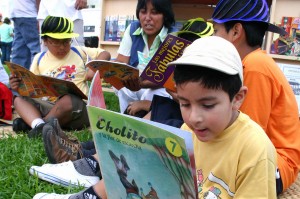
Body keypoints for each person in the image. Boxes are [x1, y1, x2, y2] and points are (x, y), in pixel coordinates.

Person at [32, 36, 277, 199]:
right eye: (184, 103)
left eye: (208, 105)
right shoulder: (188, 130)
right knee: (132, 170)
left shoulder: (255, 150)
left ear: (237, 98)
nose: (194, 117)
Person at [211, 0, 300, 195]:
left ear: (236, 31)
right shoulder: (253, 61)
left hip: (277, 165)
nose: (213, 37)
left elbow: (247, 133)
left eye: (216, 31)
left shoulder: (254, 66)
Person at [9, 16, 110, 138]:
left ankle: (37, 125)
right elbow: (32, 88)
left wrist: (94, 68)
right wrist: (18, 85)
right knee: (18, 100)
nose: (62, 47)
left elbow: (105, 54)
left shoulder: (79, 52)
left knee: (68, 100)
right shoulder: (39, 58)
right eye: (56, 42)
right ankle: (42, 125)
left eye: (66, 41)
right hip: (49, 106)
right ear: (45, 41)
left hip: (76, 109)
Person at [115, 0, 175, 115]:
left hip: (157, 86)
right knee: (123, 89)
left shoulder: (173, 37)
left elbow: (166, 78)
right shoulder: (132, 29)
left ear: (165, 15)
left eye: (155, 12)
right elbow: (121, 62)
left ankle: (148, 117)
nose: (147, 18)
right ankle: (126, 117)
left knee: (153, 94)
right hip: (135, 83)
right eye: (143, 12)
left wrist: (140, 83)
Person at [9, 0, 41, 70]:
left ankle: (17, 77)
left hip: (17, 13)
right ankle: (36, 76)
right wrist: (40, 16)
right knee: (36, 49)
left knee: (19, 50)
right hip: (30, 13)